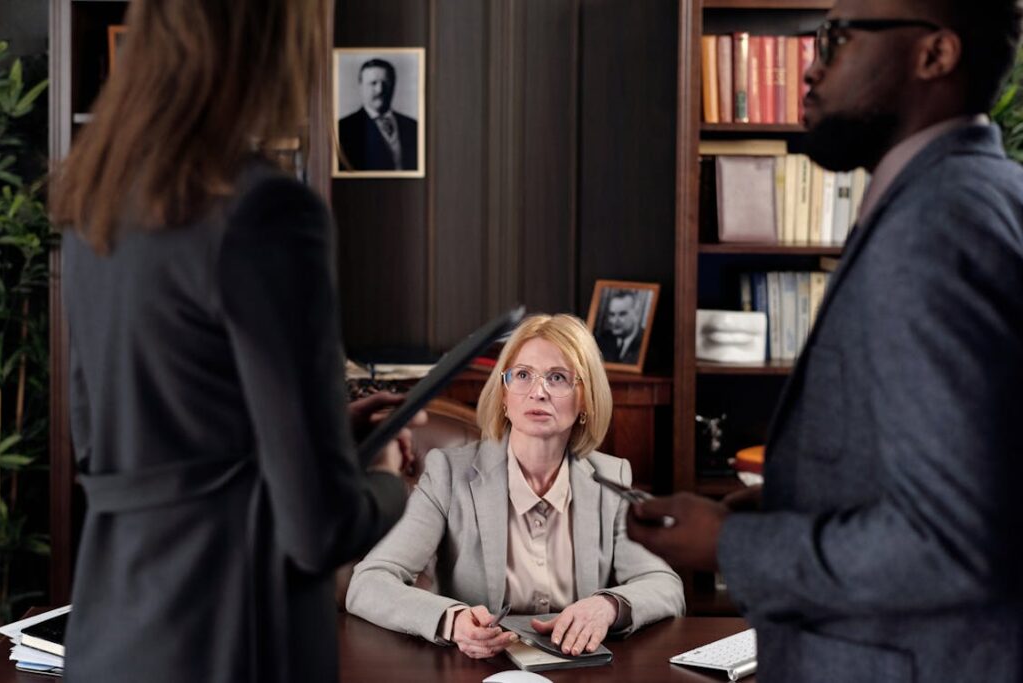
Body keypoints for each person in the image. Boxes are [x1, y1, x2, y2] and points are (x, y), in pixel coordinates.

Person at [628, 1, 1023, 681]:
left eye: (837, 39)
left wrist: (731, 544)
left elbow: (953, 541)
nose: (809, 68)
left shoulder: (934, 227)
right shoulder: (988, 194)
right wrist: (796, 493)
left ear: (935, 55)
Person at [49, 1, 421, 681]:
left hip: (113, 635)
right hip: (232, 637)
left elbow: (121, 451)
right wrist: (389, 480)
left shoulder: (93, 205)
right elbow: (319, 529)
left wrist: (319, 435)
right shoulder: (266, 211)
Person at [346, 314, 684, 659]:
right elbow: (369, 582)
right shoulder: (448, 473)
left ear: (585, 400)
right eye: (522, 375)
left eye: (557, 378)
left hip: (579, 670)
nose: (538, 392)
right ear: (504, 395)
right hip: (481, 670)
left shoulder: (611, 478)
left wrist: (608, 606)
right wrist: (451, 619)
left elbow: (665, 585)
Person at [337, 57, 418, 171]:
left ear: (394, 85)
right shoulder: (343, 129)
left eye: (385, 83)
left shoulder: (414, 126)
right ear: (361, 87)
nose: (380, 89)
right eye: (373, 83)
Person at [595, 290, 644, 364]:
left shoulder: (645, 341)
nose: (615, 321)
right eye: (612, 314)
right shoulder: (602, 340)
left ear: (636, 314)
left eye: (622, 314)